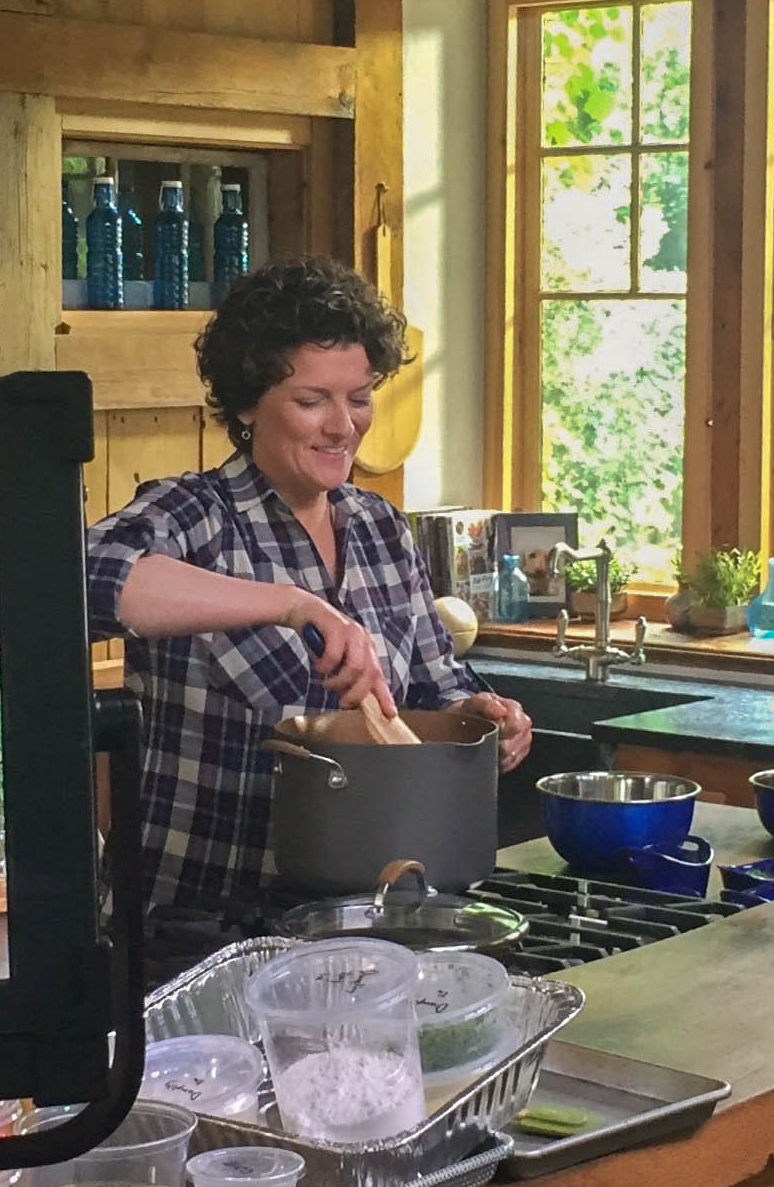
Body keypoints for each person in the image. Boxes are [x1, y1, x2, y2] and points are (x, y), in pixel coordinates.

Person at [86, 260, 531, 906]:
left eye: (359, 397)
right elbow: (84, 578)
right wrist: (292, 605)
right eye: (311, 400)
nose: (342, 425)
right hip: (195, 923)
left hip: (361, 914)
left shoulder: (380, 528)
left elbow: (434, 689)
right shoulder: (195, 516)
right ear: (248, 404)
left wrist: (477, 718)